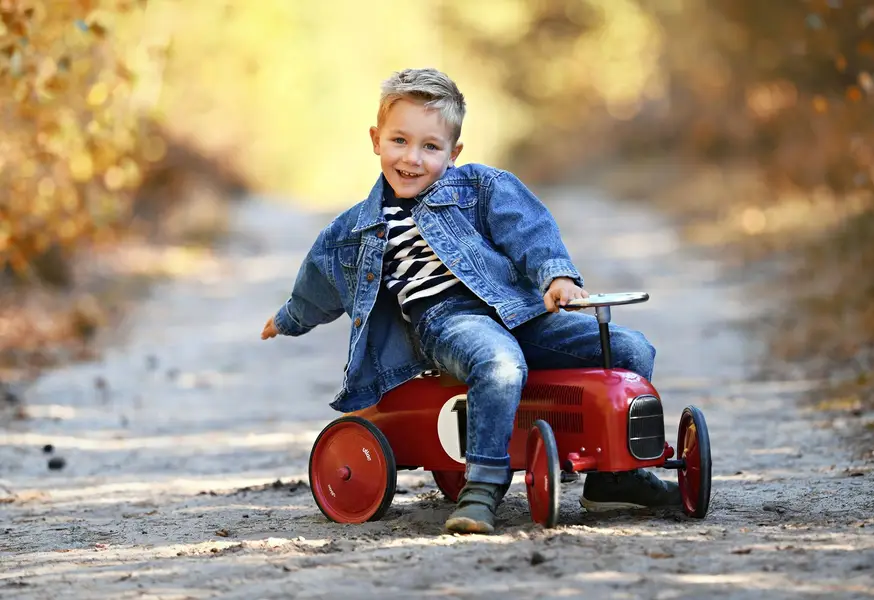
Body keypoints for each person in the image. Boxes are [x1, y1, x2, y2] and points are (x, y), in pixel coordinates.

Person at [260, 67, 680, 534]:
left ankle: (615, 477)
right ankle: (482, 485)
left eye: (430, 147)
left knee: (629, 349)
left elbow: (529, 231)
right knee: (498, 362)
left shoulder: (479, 188)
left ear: (453, 153)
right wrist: (288, 318)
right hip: (446, 321)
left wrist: (556, 275)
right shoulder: (355, 228)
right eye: (399, 141)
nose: (412, 159)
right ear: (376, 140)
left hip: (519, 313)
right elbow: (317, 283)